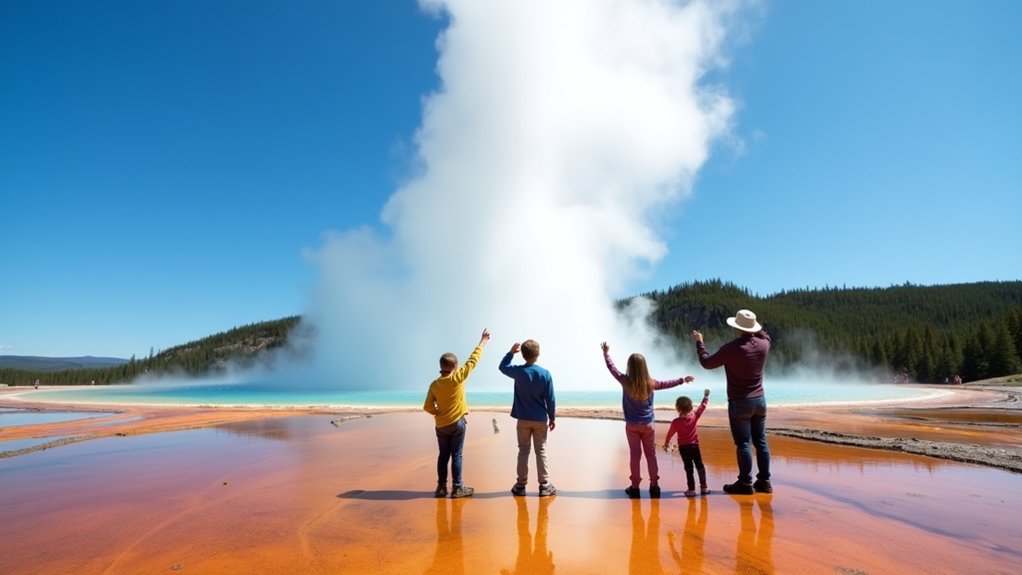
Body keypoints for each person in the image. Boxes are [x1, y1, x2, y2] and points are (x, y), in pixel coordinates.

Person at [692, 309, 772, 495]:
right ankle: (765, 482)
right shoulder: (764, 344)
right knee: (760, 441)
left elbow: (706, 363)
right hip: (760, 400)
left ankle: (745, 483)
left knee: (743, 443)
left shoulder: (732, 348)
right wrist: (754, 325)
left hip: (740, 402)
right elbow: (764, 334)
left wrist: (699, 343)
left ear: (737, 328)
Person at [601, 341, 695, 498]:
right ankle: (654, 486)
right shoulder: (651, 383)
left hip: (632, 425)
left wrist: (606, 354)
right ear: (645, 367)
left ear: (629, 367)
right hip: (648, 425)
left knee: (635, 455)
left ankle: (635, 487)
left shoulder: (625, 381)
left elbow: (613, 369)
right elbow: (667, 384)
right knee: (651, 455)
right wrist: (682, 380)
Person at [423, 328, 491, 498]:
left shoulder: (434, 384)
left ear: (441, 367)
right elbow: (473, 361)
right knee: (457, 454)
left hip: (441, 425)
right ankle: (457, 487)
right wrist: (483, 341)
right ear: (455, 366)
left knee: (443, 455)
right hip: (457, 424)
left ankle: (440, 488)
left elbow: (427, 406)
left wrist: (439, 413)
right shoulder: (458, 377)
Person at [499, 339, 557, 497]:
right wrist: (552, 418)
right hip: (539, 420)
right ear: (538, 354)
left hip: (523, 419)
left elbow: (502, 367)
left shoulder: (518, 371)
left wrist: (510, 353)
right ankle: (545, 485)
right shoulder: (545, 374)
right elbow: (550, 399)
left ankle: (520, 485)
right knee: (541, 451)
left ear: (523, 355)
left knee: (523, 451)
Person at [663, 389, 711, 497]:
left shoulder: (676, 422)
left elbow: (669, 434)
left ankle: (691, 490)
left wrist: (666, 444)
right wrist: (706, 397)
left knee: (688, 468)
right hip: (694, 446)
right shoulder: (694, 416)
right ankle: (704, 488)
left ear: (677, 408)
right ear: (690, 407)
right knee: (700, 466)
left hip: (684, 448)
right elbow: (702, 407)